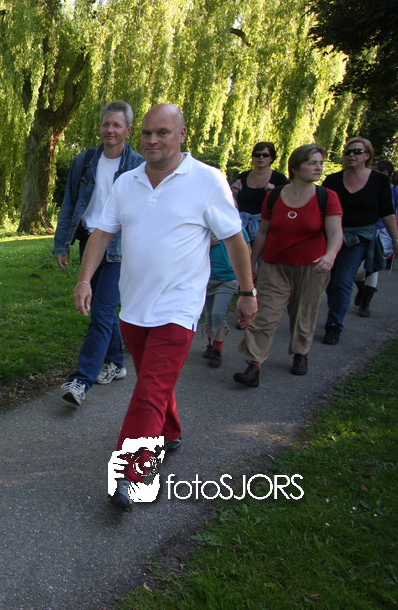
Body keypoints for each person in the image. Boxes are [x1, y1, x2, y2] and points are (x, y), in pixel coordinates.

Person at [73, 104, 256, 512]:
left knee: (150, 389)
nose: (153, 140)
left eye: (163, 132)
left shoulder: (207, 181)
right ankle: (169, 432)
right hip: (133, 307)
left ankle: (132, 475)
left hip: (179, 306)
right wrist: (85, 280)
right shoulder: (127, 182)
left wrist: (247, 291)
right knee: (154, 383)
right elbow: (101, 234)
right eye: (147, 133)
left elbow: (235, 240)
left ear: (182, 134)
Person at [53, 101, 145, 405]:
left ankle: (82, 380)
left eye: (117, 125)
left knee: (103, 311)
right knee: (102, 309)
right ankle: (116, 362)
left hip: (121, 249)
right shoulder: (85, 161)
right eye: (106, 124)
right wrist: (62, 244)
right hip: (90, 243)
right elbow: (70, 204)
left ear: (128, 129)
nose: (110, 130)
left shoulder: (139, 165)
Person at [233, 144, 343, 387]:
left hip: (312, 266)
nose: (318, 168)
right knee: (265, 314)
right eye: (312, 163)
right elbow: (263, 232)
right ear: (295, 167)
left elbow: (336, 233)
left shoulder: (327, 197)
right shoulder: (274, 196)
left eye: (320, 163)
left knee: (304, 313)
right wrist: (251, 263)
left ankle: (300, 352)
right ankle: (254, 364)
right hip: (275, 265)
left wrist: (330, 255)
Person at [320, 137, 398, 345]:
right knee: (330, 280)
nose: (352, 155)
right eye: (348, 152)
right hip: (331, 235)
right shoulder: (332, 180)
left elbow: (387, 212)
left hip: (359, 237)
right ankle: (336, 311)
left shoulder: (379, 180)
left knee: (343, 279)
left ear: (367, 155)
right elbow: (320, 209)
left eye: (357, 151)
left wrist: (396, 239)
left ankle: (334, 325)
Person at [353, 159, 398, 316]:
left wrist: (397, 237)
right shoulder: (370, 186)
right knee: (358, 268)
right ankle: (363, 290)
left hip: (385, 232)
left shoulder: (397, 190)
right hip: (367, 229)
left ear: (384, 173)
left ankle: (365, 303)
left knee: (373, 264)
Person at [201, 227, 251, 368]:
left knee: (218, 313)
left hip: (228, 279)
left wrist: (247, 277)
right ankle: (210, 345)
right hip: (208, 277)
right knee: (209, 314)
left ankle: (217, 349)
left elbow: (247, 252)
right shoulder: (206, 229)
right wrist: (207, 243)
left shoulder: (237, 229)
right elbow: (191, 250)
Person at [231, 142, 289, 240]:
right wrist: (234, 193)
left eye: (265, 155)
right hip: (242, 225)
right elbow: (234, 205)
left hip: (266, 227)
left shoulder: (279, 178)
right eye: (257, 155)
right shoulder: (243, 176)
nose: (261, 158)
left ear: (272, 158)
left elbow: (286, 204)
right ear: (253, 157)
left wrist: (273, 194)